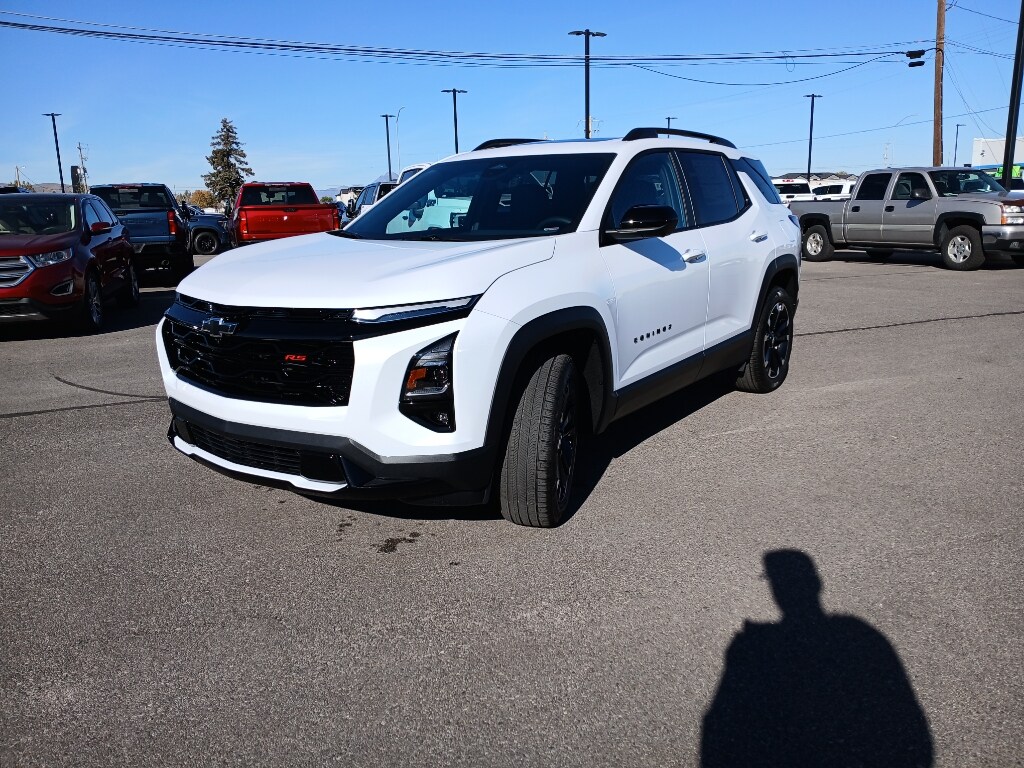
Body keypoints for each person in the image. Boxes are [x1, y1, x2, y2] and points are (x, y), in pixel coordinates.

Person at [701, 549, 933, 768]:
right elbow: (905, 715)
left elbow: (719, 720)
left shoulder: (751, 644)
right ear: (816, 583)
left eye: (777, 582)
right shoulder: (861, 633)